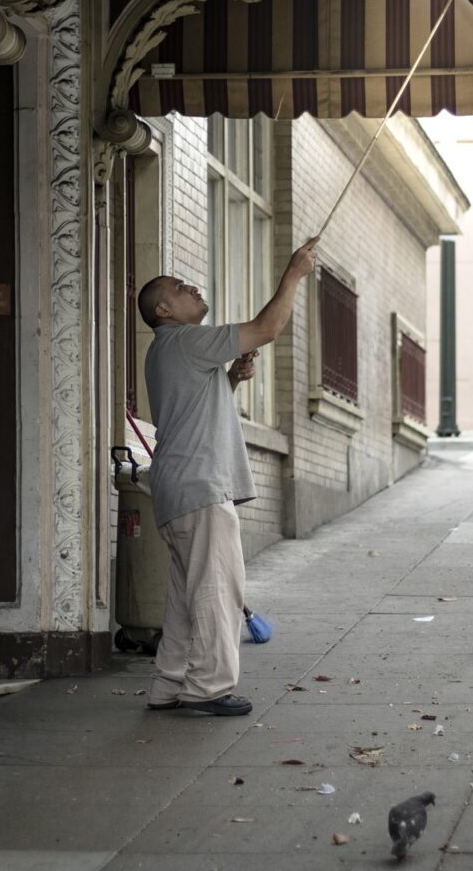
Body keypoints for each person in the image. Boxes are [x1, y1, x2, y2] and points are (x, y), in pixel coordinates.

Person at [137, 236, 320, 716]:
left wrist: (232, 378)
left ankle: (169, 685)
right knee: (219, 588)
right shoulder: (187, 340)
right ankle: (210, 688)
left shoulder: (166, 351)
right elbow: (266, 327)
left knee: (186, 594)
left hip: (178, 487)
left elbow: (196, 410)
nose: (192, 286)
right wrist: (294, 273)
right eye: (180, 287)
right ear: (164, 309)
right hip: (200, 486)